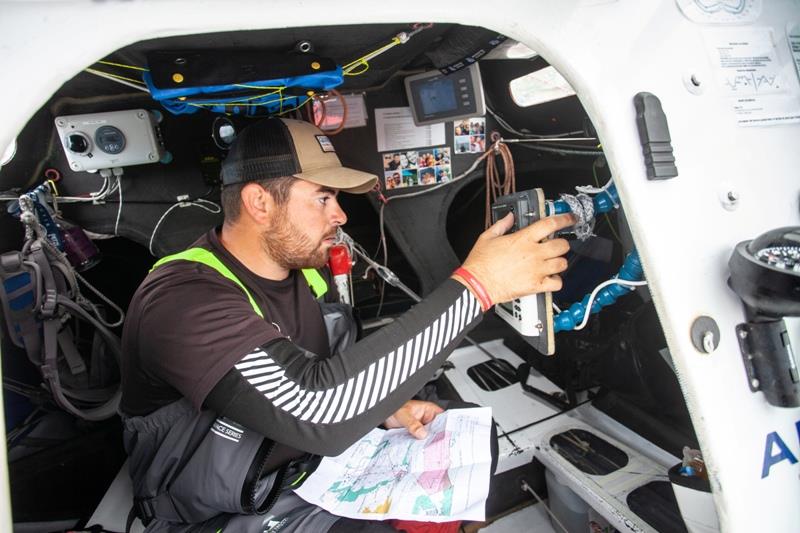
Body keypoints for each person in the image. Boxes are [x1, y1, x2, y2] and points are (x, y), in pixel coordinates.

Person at [120, 118, 574, 532]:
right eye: (322, 197)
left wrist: (385, 409)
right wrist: (480, 285)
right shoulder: (182, 299)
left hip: (316, 473)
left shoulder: (307, 272)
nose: (339, 215)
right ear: (259, 202)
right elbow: (316, 406)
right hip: (222, 513)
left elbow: (336, 370)